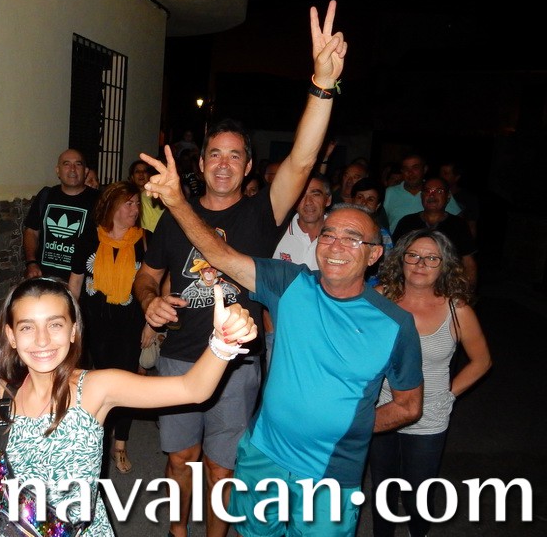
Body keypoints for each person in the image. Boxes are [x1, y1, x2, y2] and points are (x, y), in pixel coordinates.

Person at [134, 0, 348, 537]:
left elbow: (302, 159)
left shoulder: (261, 213)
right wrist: (149, 301)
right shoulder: (172, 218)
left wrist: (322, 85)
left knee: (222, 468)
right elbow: (146, 275)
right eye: (214, 154)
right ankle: (177, 532)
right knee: (180, 460)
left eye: (235, 155)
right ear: (201, 161)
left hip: (237, 364)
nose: (224, 163)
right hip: (179, 357)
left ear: (248, 166)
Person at [140, 150, 424, 536]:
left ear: (375, 254)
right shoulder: (290, 284)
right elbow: (219, 254)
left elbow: (409, 406)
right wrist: (176, 201)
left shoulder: (394, 324)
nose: (336, 245)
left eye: (352, 239)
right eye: (329, 234)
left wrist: (349, 426)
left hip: (329, 474)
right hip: (263, 455)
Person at [0, 277, 258, 537]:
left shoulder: (95, 388)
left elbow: (192, 389)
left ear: (73, 331)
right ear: (11, 336)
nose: (42, 340)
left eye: (55, 324)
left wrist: (223, 342)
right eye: (27, 327)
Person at [370, 228, 492, 537]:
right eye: (413, 255)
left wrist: (448, 396)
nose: (420, 264)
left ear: (444, 264)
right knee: (383, 486)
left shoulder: (457, 309)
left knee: (419, 490)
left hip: (429, 415)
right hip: (382, 409)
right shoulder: (379, 299)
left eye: (431, 258)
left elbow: (482, 361)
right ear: (401, 260)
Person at [68, 180, 148, 474]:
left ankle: (120, 445)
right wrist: (69, 322)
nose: (135, 209)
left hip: (129, 325)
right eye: (128, 203)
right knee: (92, 384)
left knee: (126, 385)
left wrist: (151, 326)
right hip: (93, 325)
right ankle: (94, 439)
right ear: (112, 206)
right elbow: (75, 283)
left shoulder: (145, 241)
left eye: (137, 203)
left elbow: (155, 285)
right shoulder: (90, 239)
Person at [24, 148, 100, 281]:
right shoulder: (46, 195)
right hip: (46, 277)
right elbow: (32, 231)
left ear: (86, 171)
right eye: (66, 164)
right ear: (58, 171)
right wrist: (31, 262)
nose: (72, 169)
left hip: (83, 280)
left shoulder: (100, 200)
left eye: (78, 164)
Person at [392, 176, 478, 289]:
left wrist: (468, 292)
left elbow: (468, 263)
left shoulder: (458, 225)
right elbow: (394, 258)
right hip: (410, 286)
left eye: (438, 191)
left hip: (447, 287)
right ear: (422, 196)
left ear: (448, 196)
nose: (432, 195)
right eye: (427, 191)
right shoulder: (407, 222)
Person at [384, 154, 461, 234]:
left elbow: (458, 221)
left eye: (415, 168)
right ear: (402, 171)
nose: (410, 173)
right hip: (399, 240)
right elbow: (380, 221)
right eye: (406, 169)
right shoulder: (390, 193)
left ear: (424, 169)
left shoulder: (439, 192)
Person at [271, 172, 332, 270]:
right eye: (301, 195)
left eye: (315, 194)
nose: (308, 202)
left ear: (328, 200)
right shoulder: (275, 232)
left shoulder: (341, 236)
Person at [352, 176, 394, 286]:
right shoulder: (339, 227)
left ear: (377, 206)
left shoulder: (383, 236)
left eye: (370, 199)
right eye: (360, 197)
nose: (364, 202)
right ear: (353, 201)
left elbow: (387, 271)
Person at [439, 160, 480, 238]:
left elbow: (471, 225)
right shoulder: (433, 194)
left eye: (446, 173)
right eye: (440, 173)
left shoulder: (468, 198)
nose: (441, 177)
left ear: (456, 177)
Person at [129, 159, 165, 234]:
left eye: (144, 171)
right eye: (137, 171)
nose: (141, 174)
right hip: (144, 236)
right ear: (132, 177)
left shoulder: (158, 193)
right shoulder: (128, 198)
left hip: (162, 234)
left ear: (149, 176)